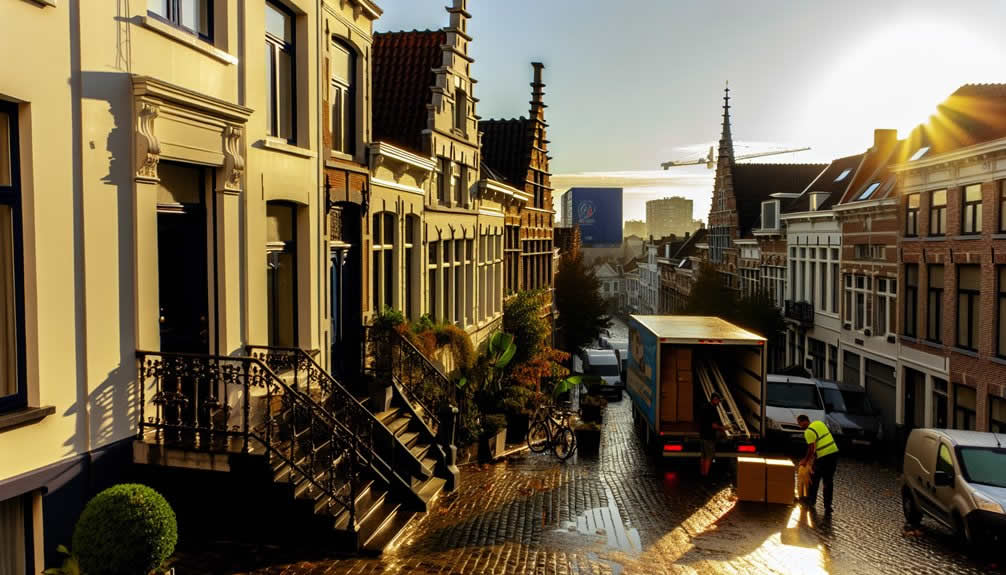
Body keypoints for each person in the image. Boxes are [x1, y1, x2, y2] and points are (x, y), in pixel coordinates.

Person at [798, 414, 839, 514]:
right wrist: (814, 459)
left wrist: (805, 461)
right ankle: (828, 506)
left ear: (804, 421)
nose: (800, 426)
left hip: (824, 456)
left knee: (814, 478)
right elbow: (821, 441)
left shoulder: (808, 432)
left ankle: (811, 501)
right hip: (834, 453)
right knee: (828, 481)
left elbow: (811, 449)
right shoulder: (819, 423)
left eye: (800, 423)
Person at [698, 393, 724, 476]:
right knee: (709, 457)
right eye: (718, 400)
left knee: (703, 456)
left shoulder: (704, 407)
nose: (719, 402)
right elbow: (713, 425)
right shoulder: (712, 409)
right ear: (715, 399)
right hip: (709, 436)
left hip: (702, 435)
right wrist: (723, 428)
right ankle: (706, 474)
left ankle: (702, 472)